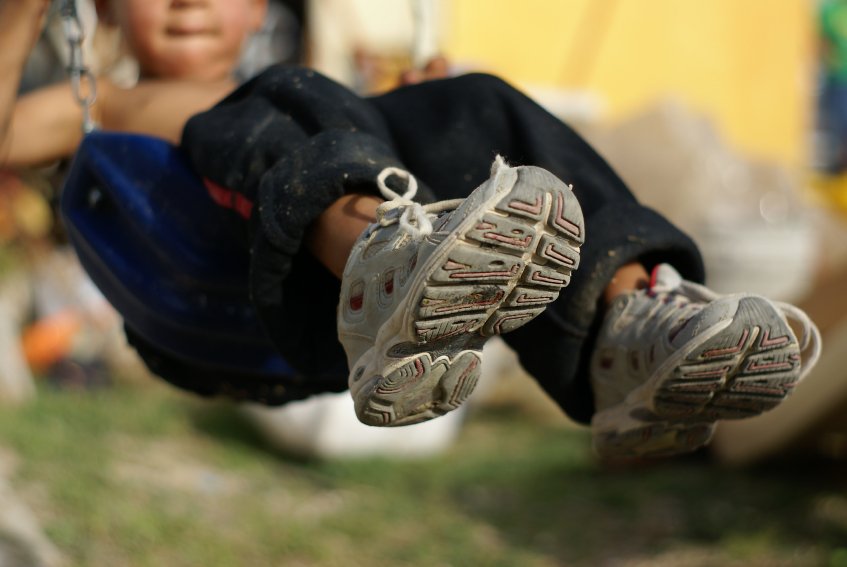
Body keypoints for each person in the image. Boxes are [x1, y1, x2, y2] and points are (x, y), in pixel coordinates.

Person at [1, 0, 822, 460]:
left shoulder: (307, 104)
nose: (188, 0)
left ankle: (626, 333)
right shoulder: (99, 103)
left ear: (256, 6)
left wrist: (425, 127)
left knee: (472, 103)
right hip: (206, 297)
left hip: (333, 315)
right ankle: (379, 261)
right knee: (272, 101)